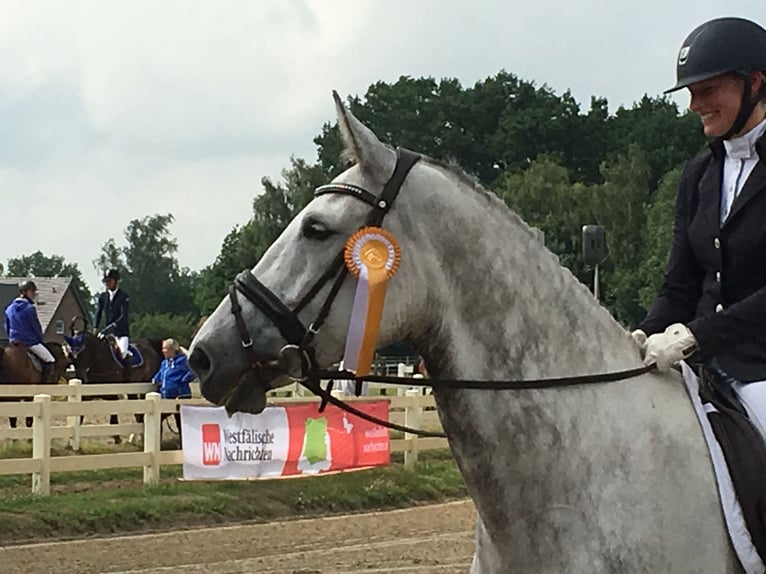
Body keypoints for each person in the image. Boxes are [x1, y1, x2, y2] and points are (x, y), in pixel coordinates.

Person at [633, 17, 766, 433]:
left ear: (755, 82)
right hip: (700, 366)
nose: (694, 105)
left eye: (707, 90)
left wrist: (697, 336)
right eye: (692, 92)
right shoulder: (699, 173)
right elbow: (681, 280)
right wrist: (646, 333)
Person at [3, 280, 56, 382]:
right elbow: (35, 327)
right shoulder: (29, 308)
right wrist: (40, 339)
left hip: (13, 342)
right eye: (32, 292)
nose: (33, 295)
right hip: (29, 342)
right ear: (24, 292)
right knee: (50, 359)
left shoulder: (9, 308)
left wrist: (11, 338)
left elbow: (7, 326)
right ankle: (46, 385)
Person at [94, 269, 131, 369]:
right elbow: (98, 313)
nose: (107, 284)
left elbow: (124, 316)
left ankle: (127, 374)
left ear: (116, 281)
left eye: (109, 281)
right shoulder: (103, 297)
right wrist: (95, 327)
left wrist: (113, 326)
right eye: (106, 281)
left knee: (123, 353)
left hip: (121, 333)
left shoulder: (123, 296)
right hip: (107, 333)